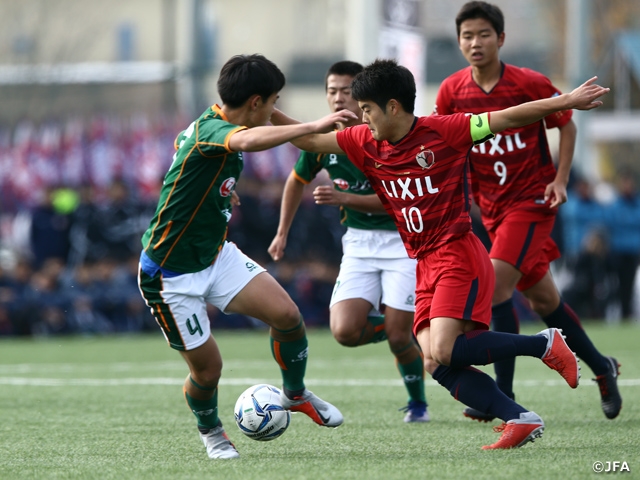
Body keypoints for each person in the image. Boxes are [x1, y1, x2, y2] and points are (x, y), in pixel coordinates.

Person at [271, 58, 608, 450]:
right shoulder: (364, 140)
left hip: (457, 253)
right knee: (435, 361)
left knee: (446, 349)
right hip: (424, 262)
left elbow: (508, 117)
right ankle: (519, 417)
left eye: (366, 109)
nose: (360, 117)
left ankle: (545, 343)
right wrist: (265, 110)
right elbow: (308, 141)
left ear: (393, 106)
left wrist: (564, 100)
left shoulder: (447, 131)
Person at [137, 54, 355, 460]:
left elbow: (194, 152)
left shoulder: (210, 126)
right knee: (208, 371)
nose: (275, 109)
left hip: (216, 256)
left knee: (288, 317)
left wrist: (217, 183)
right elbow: (246, 141)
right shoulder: (215, 130)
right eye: (273, 101)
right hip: (169, 275)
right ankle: (213, 434)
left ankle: (295, 393)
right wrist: (313, 122)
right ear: (256, 102)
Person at [432, 1, 622, 422]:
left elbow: (566, 124)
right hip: (492, 210)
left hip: (532, 202)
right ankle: (601, 367)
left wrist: (560, 180)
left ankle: (503, 394)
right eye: (467, 36)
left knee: (495, 289)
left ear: (500, 38)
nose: (475, 43)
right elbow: (447, 144)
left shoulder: (529, 82)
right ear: (459, 42)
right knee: (543, 300)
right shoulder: (450, 91)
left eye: (483, 34)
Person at [268, 61, 429, 423]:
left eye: (346, 90)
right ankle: (405, 327)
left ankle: (418, 402)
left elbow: (398, 198)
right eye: (331, 90)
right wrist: (282, 232)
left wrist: (346, 199)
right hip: (358, 244)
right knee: (344, 332)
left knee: (399, 334)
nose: (338, 97)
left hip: (402, 241)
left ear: (362, 97)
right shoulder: (325, 142)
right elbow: (295, 181)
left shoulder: (385, 137)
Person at [605, 170, 640, 320]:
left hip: (632, 250)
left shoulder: (635, 203)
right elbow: (612, 223)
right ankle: (622, 313)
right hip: (619, 250)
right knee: (619, 284)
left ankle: (628, 313)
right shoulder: (615, 205)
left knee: (630, 284)